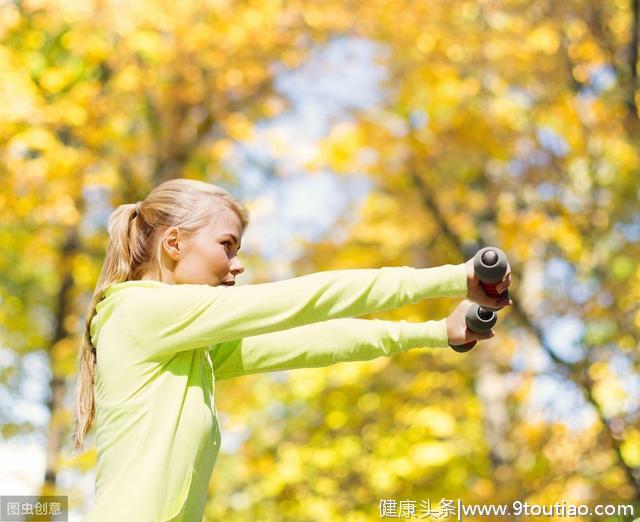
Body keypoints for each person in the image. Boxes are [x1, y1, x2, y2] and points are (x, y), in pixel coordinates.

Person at [73, 178, 512, 521]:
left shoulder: (189, 346)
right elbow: (309, 299)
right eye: (227, 245)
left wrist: (434, 331)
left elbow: (311, 341)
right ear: (174, 243)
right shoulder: (139, 311)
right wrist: (456, 278)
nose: (237, 263)